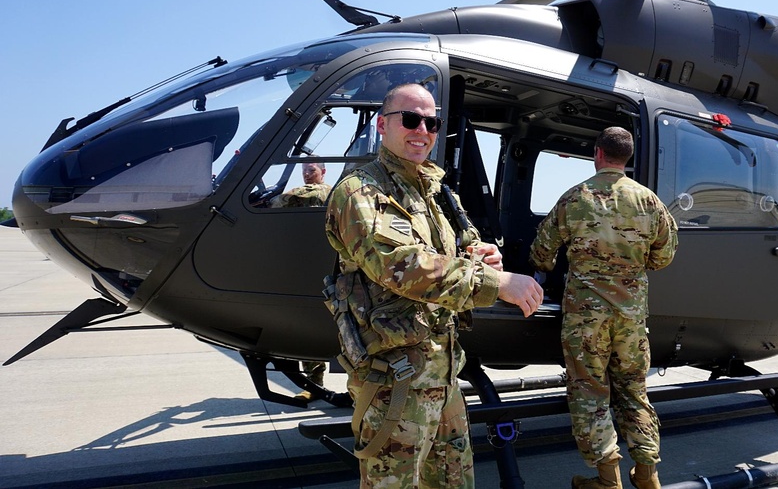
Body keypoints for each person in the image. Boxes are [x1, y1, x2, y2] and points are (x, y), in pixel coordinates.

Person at [324, 83, 544, 488]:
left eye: (431, 122)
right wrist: (497, 282)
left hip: (443, 376)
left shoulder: (433, 190)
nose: (421, 130)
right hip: (395, 382)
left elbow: (461, 243)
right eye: (410, 119)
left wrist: (482, 254)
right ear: (382, 125)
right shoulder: (362, 192)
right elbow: (403, 267)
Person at [528, 126, 678, 489]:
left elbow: (541, 253)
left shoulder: (574, 198)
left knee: (590, 392)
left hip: (586, 320)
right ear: (626, 158)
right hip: (630, 318)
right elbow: (664, 256)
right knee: (632, 390)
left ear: (598, 154)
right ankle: (646, 474)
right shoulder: (649, 202)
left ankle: (607, 477)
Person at [270, 162, 334, 401]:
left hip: (320, 269)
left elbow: (281, 201)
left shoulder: (321, 192)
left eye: (312, 170)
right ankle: (313, 385)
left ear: (323, 172)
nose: (307, 174)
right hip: (305, 268)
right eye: (305, 170)